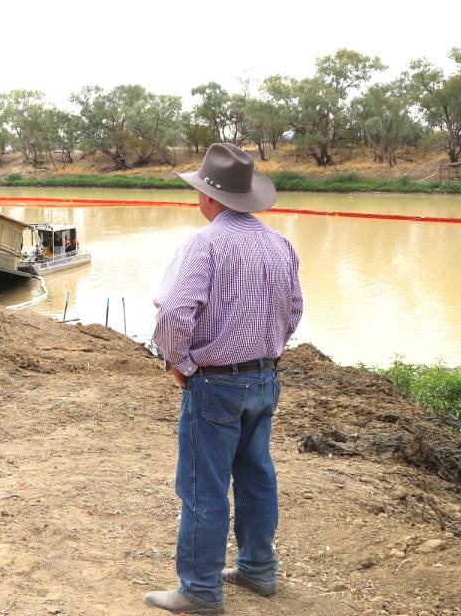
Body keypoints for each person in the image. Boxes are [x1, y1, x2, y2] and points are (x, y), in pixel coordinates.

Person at [145, 143, 303, 614]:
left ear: (208, 198)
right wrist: (266, 352)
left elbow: (174, 310)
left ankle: (200, 590)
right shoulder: (280, 244)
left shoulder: (205, 243)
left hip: (215, 384)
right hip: (264, 379)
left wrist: (181, 363)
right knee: (256, 475)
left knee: (202, 485)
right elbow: (293, 312)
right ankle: (258, 568)